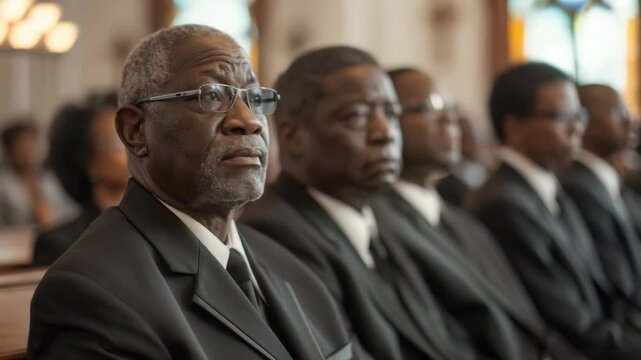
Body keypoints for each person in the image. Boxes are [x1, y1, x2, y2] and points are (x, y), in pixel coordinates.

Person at [28, 24, 354, 360]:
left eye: (255, 99)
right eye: (211, 96)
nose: (249, 121)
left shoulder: (290, 266)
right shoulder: (92, 294)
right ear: (136, 130)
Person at [242, 45, 502, 360]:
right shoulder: (276, 234)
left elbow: (445, 338)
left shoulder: (381, 221)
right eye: (356, 117)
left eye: (392, 114)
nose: (385, 134)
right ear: (294, 136)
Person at [377, 67, 586, 360]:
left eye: (451, 107)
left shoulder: (462, 220)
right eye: (429, 107)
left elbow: (530, 325)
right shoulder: (380, 227)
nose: (451, 119)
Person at [466, 62, 641, 360]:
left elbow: (605, 295)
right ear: (515, 126)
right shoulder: (505, 204)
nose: (577, 128)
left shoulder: (548, 188)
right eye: (562, 117)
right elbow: (568, 324)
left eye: (579, 116)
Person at [560, 85, 641, 314]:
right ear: (583, 120)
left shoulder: (612, 180)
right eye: (617, 111)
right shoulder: (577, 186)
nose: (630, 120)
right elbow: (619, 282)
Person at [32, 93, 130, 266]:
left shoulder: (158, 228)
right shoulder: (59, 244)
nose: (133, 149)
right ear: (90, 162)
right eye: (118, 142)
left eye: (134, 135)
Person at [0, 122, 74, 227]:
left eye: (31, 143)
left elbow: (67, 213)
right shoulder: (4, 184)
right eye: (21, 145)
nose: (27, 151)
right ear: (9, 149)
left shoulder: (49, 179)